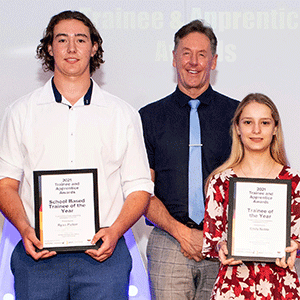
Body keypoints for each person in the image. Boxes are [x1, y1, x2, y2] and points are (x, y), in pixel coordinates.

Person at [0, 10, 153, 299]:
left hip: (103, 256)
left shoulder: (122, 114)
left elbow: (139, 188)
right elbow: (6, 184)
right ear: (49, 48)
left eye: (81, 40)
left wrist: (116, 231)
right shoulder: (20, 112)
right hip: (38, 257)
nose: (71, 49)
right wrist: (23, 227)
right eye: (62, 39)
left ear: (94, 47)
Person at [139, 20, 239, 299]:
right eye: (186, 53)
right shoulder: (148, 117)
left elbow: (246, 182)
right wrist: (182, 233)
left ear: (214, 60)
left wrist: (214, 238)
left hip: (224, 245)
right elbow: (141, 191)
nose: (193, 62)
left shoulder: (237, 115)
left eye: (202, 54)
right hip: (168, 240)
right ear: (173, 58)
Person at [203, 93, 300, 299]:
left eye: (264, 122)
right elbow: (212, 239)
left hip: (280, 287)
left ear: (275, 129)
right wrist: (221, 246)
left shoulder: (294, 182)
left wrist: (296, 247)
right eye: (248, 122)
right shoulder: (220, 182)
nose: (256, 130)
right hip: (233, 287)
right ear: (237, 128)